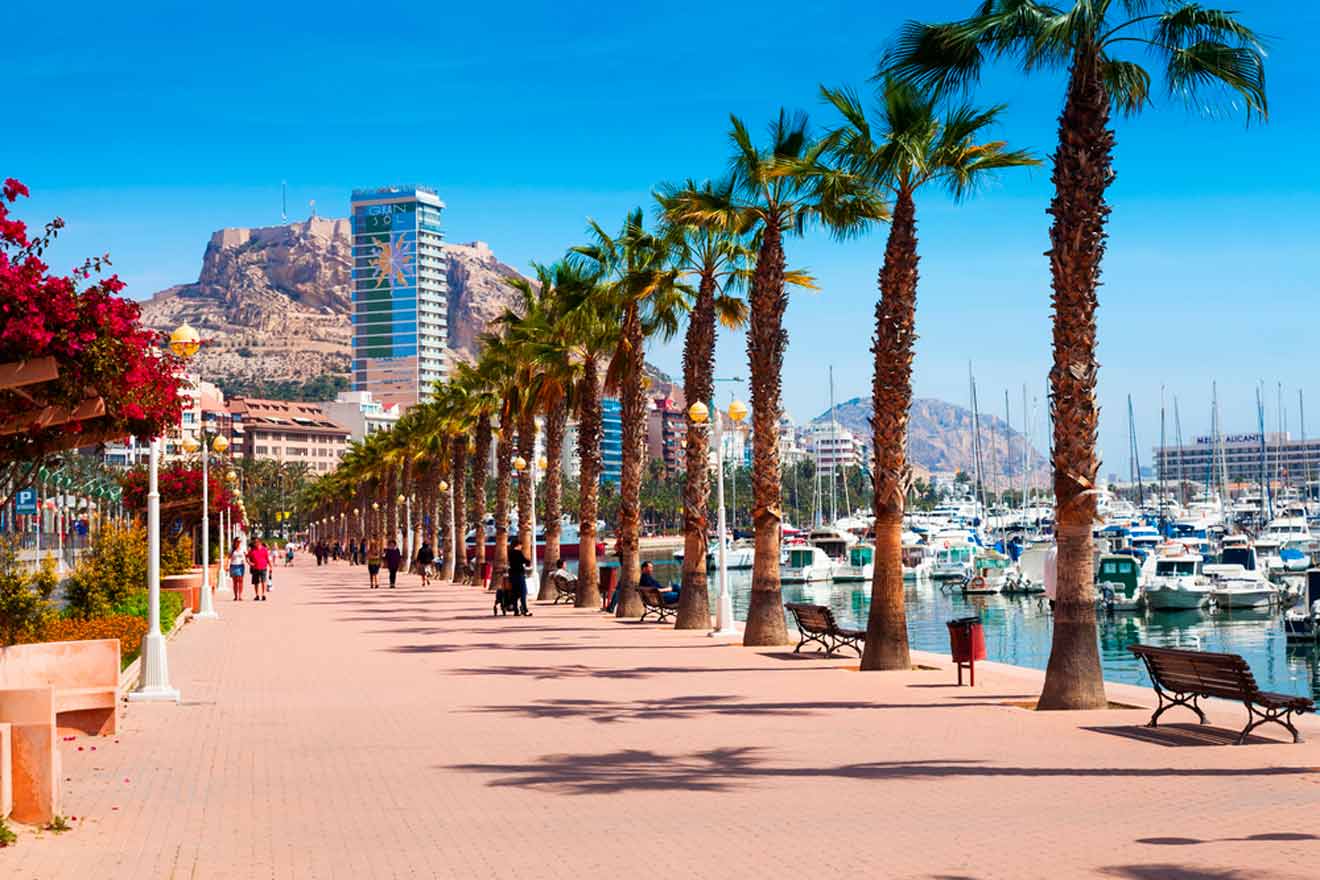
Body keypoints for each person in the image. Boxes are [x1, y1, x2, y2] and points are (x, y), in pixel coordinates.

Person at [507, 538, 532, 616]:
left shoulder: (510, 552)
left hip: (512, 575)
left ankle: (516, 610)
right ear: (518, 545)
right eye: (521, 545)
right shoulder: (518, 553)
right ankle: (524, 609)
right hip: (519, 575)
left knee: (514, 593)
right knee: (523, 593)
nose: (521, 547)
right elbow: (525, 561)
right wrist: (528, 560)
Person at [247, 537, 271, 602]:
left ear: (260, 542)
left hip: (263, 567)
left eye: (256, 542)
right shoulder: (252, 550)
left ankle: (263, 594)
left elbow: (267, 558)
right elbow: (248, 558)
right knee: (256, 582)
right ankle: (257, 595)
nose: (255, 543)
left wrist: (270, 566)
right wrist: (250, 563)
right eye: (254, 542)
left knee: (263, 581)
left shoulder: (264, 549)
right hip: (255, 568)